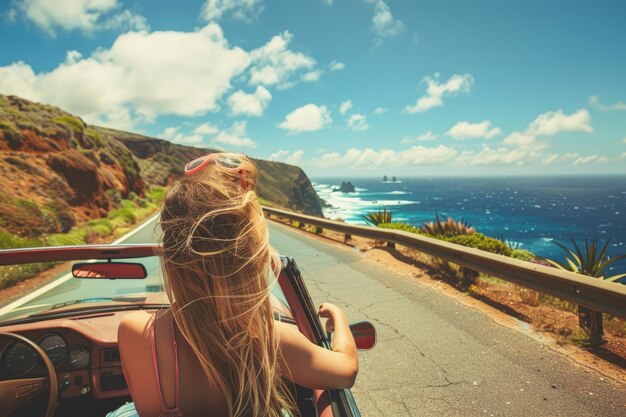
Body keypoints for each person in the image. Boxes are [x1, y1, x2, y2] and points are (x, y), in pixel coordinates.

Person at [108, 151, 358, 417]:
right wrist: (339, 321)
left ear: (171, 257)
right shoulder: (267, 339)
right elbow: (346, 371)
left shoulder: (137, 332)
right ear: (249, 263)